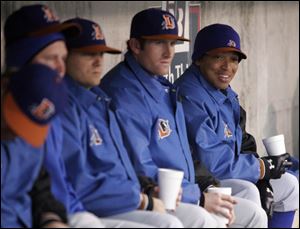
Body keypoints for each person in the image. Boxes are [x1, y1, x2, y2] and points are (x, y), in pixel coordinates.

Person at [100, 8, 267, 228]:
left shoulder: (161, 87)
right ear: (135, 45)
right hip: (156, 194)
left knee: (252, 206)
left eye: (173, 43)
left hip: (186, 187)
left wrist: (204, 184)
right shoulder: (125, 93)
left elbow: (186, 152)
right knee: (206, 219)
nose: (169, 53)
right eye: (159, 43)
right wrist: (198, 196)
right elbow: (140, 165)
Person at [3, 4, 138, 228]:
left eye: (62, 58)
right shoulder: (43, 103)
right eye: (49, 59)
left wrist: (51, 219)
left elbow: (40, 185)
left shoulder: (59, 102)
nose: (59, 68)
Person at [59, 17, 190, 228]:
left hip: (127, 197)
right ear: (62, 57)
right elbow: (81, 184)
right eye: (88, 54)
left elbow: (123, 168)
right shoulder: (65, 106)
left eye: (101, 54)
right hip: (91, 209)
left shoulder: (99, 99)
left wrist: (146, 189)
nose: (98, 62)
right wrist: (143, 200)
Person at [175, 23, 299, 228]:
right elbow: (213, 163)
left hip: (228, 173)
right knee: (249, 195)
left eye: (233, 59)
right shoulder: (190, 96)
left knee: (290, 186)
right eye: (218, 57)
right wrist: (260, 169)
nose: (227, 66)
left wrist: (263, 176)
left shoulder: (223, 90)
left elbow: (243, 143)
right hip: (201, 180)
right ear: (198, 59)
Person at [1, 64, 69, 228]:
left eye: (27, 125)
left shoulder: (30, 139)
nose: (17, 133)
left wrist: (51, 219)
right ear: (3, 86)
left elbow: (39, 190)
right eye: (15, 119)